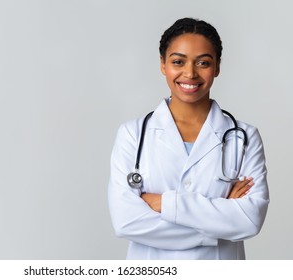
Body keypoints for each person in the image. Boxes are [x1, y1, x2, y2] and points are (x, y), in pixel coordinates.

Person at [108, 18, 269, 260]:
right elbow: (126, 221)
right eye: (178, 62)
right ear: (163, 64)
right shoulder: (133, 134)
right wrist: (216, 226)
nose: (190, 73)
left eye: (203, 62)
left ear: (217, 67)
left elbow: (248, 220)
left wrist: (164, 204)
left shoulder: (244, 137)